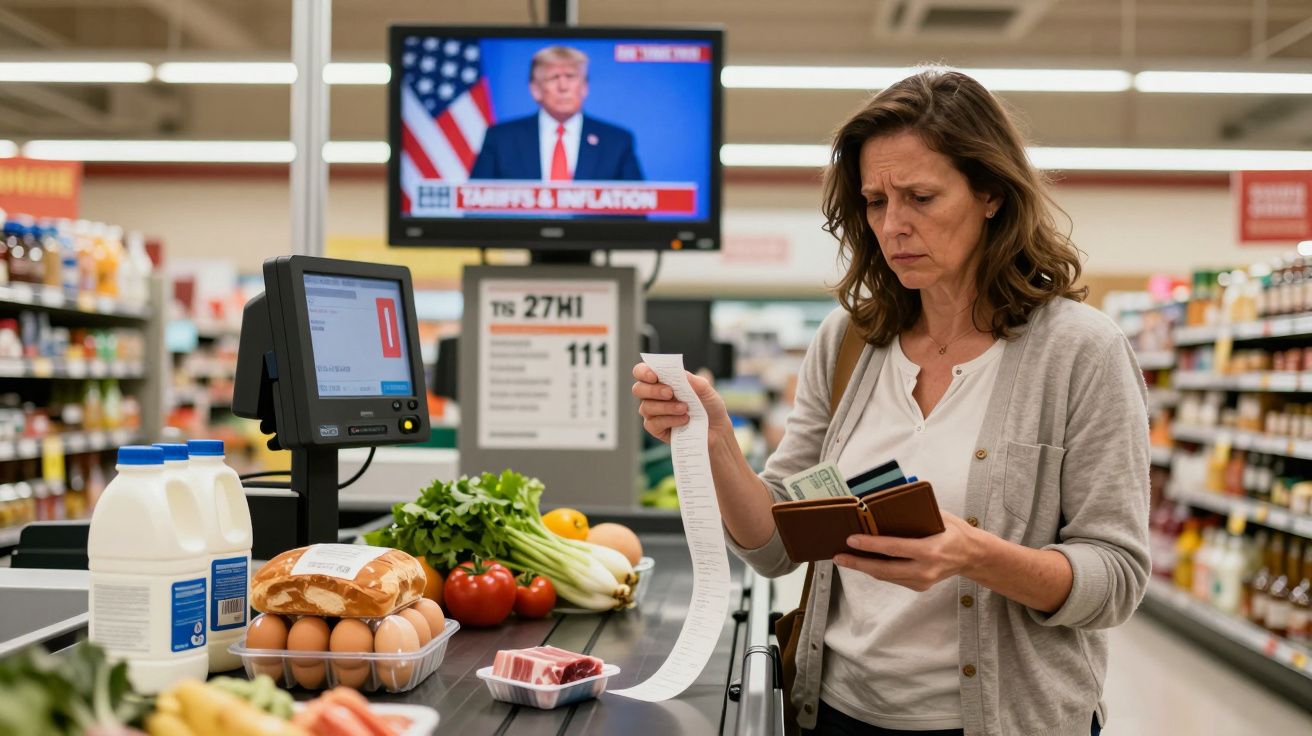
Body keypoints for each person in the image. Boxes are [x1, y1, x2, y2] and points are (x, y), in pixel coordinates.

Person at [631, 69, 1148, 736]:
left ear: (990, 193)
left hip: (1007, 720)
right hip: (837, 712)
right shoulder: (850, 342)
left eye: (921, 197)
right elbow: (776, 546)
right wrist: (716, 442)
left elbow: (1117, 578)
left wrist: (975, 556)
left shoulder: (1080, 352)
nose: (894, 226)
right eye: (875, 202)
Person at [469, 45, 643, 182]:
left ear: (584, 87)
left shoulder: (616, 141)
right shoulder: (501, 138)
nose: (563, 87)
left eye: (571, 77)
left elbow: (636, 213)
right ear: (535, 89)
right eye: (553, 78)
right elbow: (475, 205)